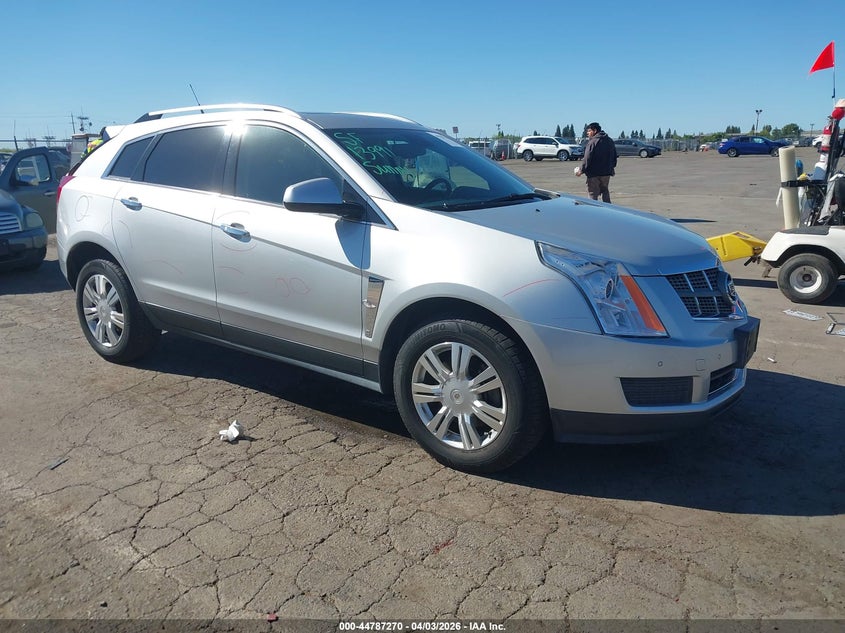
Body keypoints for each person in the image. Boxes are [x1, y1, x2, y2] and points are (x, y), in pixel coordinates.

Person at [575, 122, 618, 203]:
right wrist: (611, 168)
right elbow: (614, 156)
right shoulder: (610, 141)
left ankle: (593, 212)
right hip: (606, 173)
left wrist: (581, 170)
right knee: (605, 192)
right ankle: (609, 211)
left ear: (594, 131)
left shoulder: (592, 142)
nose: (587, 133)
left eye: (589, 131)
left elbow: (587, 158)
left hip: (594, 174)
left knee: (592, 194)